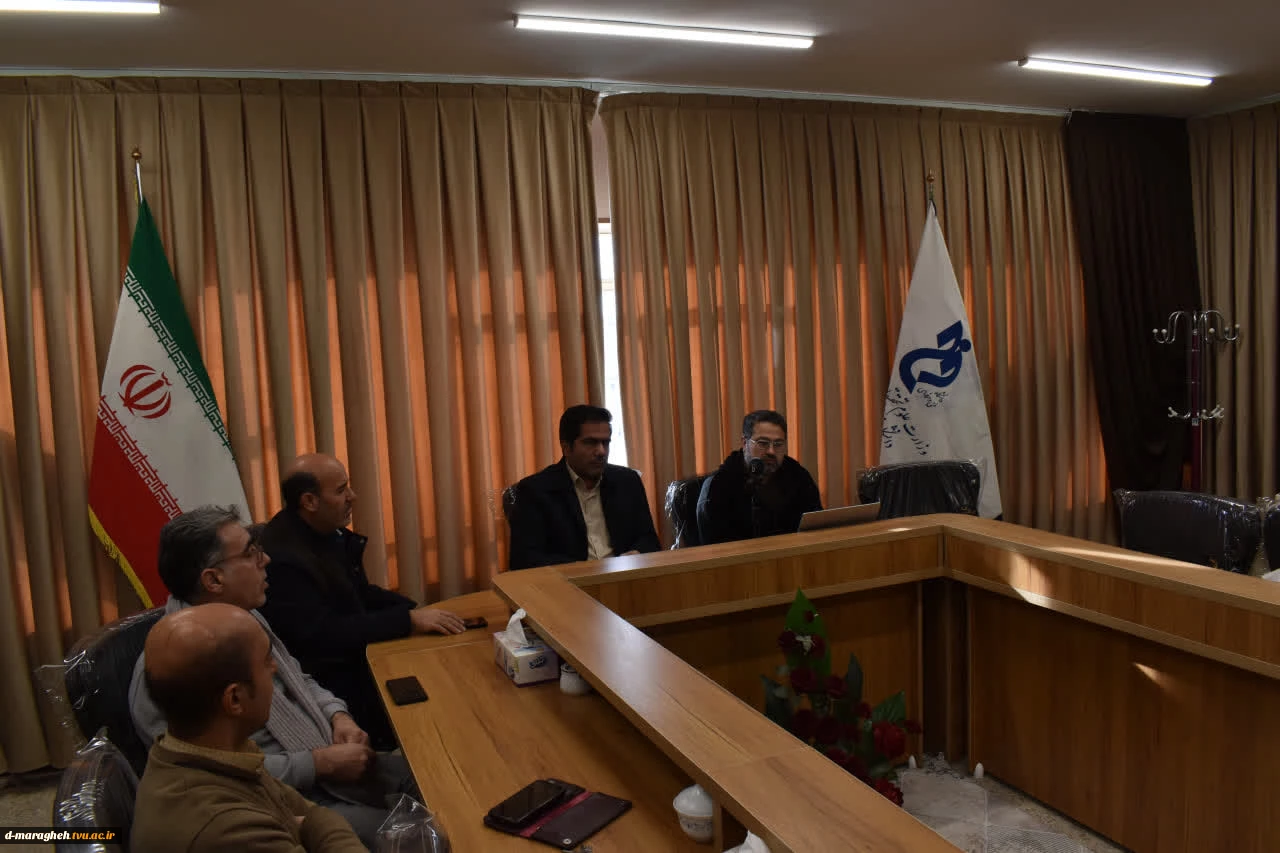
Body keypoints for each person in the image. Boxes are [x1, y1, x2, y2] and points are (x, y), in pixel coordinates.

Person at [130, 506, 418, 849]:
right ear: (213, 580)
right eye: (250, 553)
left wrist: (337, 716)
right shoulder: (169, 668)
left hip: (329, 764)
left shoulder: (246, 617)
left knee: (438, 779)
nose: (265, 560)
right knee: (424, 835)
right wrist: (317, 764)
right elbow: (211, 774)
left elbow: (299, 678)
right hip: (299, 793)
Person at [257, 454, 464, 751]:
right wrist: (408, 620)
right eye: (341, 490)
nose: (352, 496)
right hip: (335, 681)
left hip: (358, 659)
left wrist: (414, 611)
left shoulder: (323, 532)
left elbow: (359, 593)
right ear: (310, 501)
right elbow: (324, 635)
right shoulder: (284, 559)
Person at [131, 603, 366, 853]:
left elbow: (305, 812)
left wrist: (310, 823)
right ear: (235, 699)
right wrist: (323, 825)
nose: (275, 668)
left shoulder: (219, 755)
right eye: (266, 662)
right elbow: (317, 817)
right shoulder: (223, 829)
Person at [507, 404, 661, 570]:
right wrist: (586, 569)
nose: (601, 451)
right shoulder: (536, 490)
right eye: (590, 443)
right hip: (568, 581)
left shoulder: (627, 481)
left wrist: (634, 554)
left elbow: (649, 540)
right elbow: (525, 560)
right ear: (566, 448)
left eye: (605, 443)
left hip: (623, 575)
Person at [697, 409, 822, 544]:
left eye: (778, 444)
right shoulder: (719, 485)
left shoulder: (797, 475)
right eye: (763, 443)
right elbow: (716, 546)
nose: (771, 451)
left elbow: (817, 525)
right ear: (745, 443)